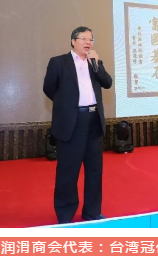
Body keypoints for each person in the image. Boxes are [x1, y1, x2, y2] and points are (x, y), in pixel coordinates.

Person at [43, 26, 113, 224]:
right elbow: (49, 89)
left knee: (94, 171)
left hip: (94, 122)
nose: (88, 42)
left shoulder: (95, 63)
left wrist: (97, 65)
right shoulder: (58, 62)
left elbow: (107, 83)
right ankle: (65, 215)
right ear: (73, 41)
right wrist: (67, 106)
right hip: (72, 123)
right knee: (68, 171)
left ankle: (92, 211)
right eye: (84, 38)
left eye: (91, 39)